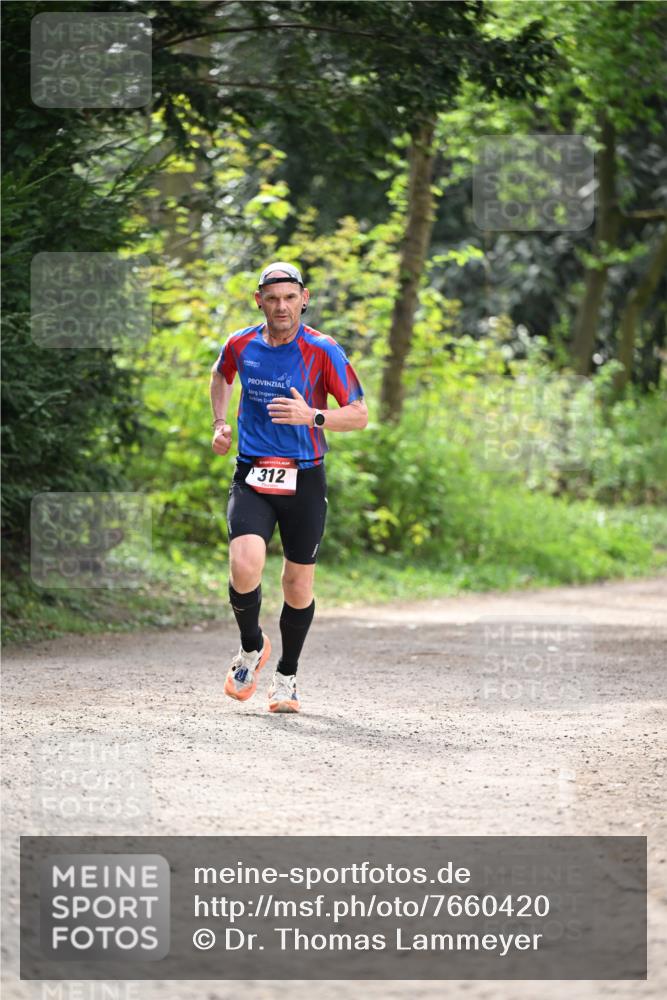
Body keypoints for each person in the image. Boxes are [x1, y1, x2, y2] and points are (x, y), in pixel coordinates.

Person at [210, 262, 368, 713]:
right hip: (253, 472)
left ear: (305, 298)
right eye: (272, 298)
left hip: (304, 476)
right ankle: (251, 648)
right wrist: (220, 425)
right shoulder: (240, 343)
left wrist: (313, 416)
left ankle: (286, 677)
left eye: (289, 297)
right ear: (258, 300)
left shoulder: (323, 350)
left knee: (298, 585)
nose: (282, 306)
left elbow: (359, 414)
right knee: (245, 564)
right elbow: (221, 374)